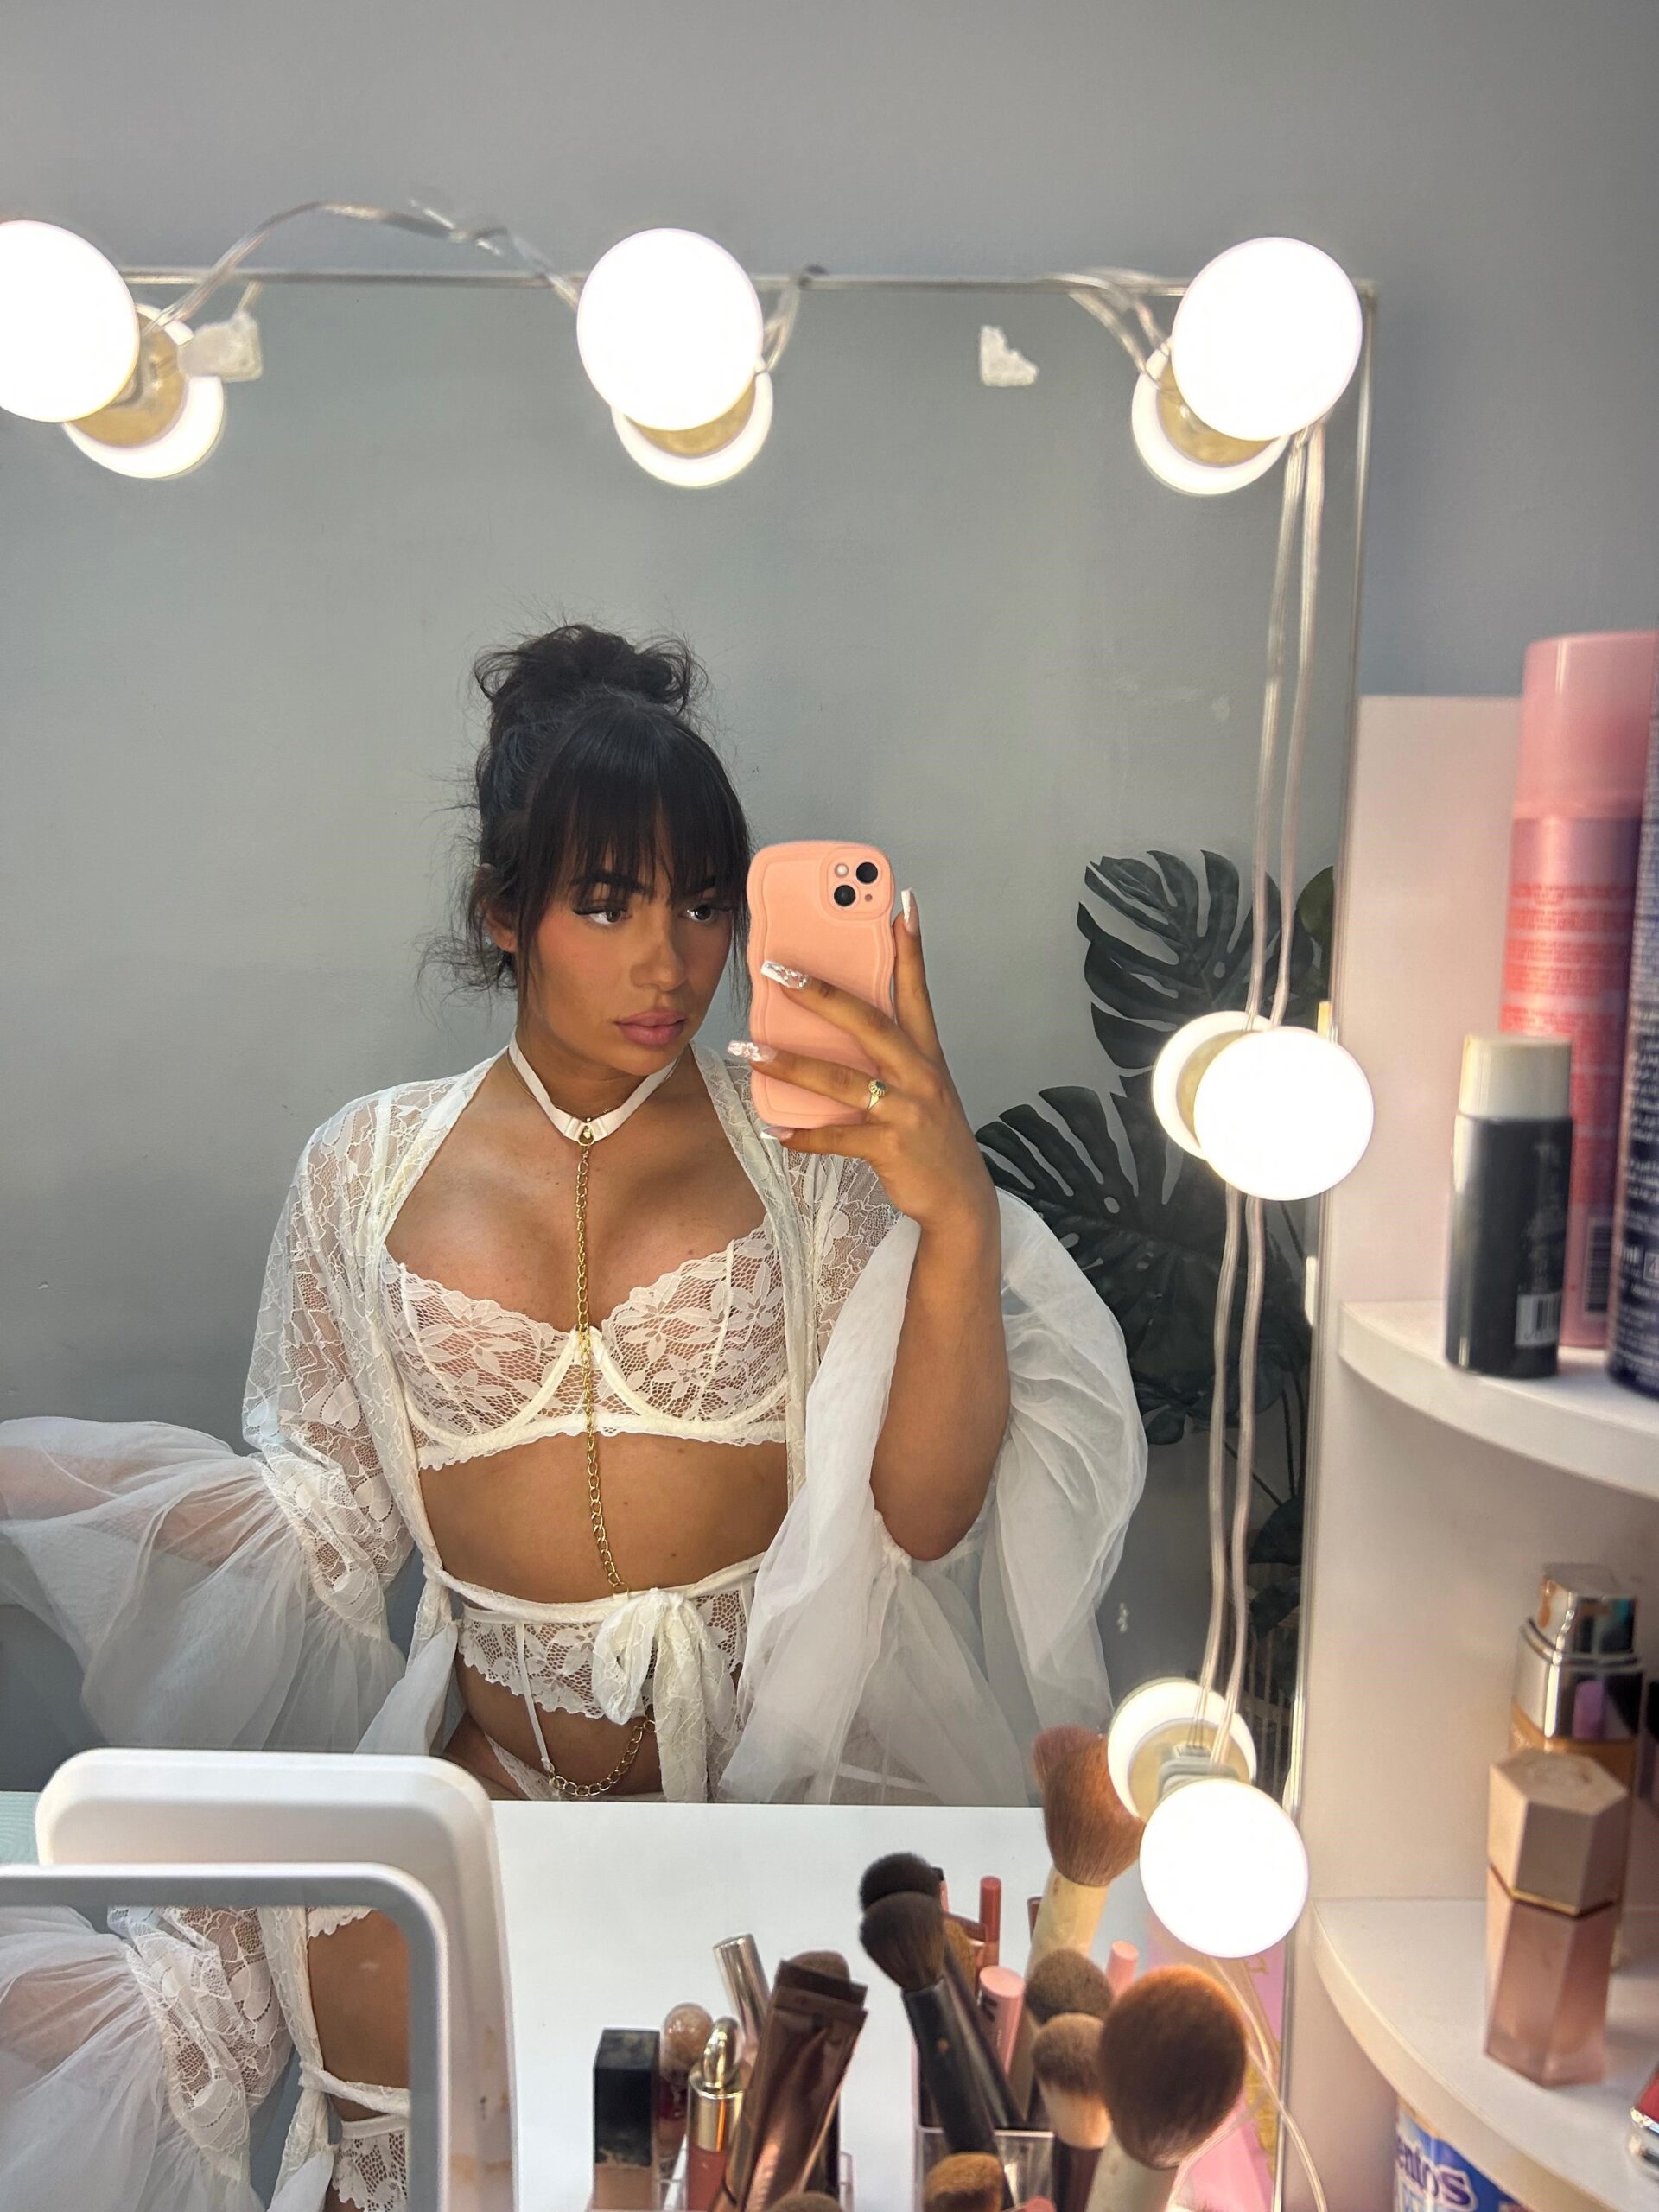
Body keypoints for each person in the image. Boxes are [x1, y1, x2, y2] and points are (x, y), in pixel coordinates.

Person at [0, 623, 1146, 2209]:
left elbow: (927, 1515)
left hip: (768, 1802)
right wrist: (29, 1481)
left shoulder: (814, 1171)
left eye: (702, 902)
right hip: (476, 1803)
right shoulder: (364, 1171)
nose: (668, 961)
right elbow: (318, 1518)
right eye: (606, 902)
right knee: (167, 2020)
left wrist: (951, 1209)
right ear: (505, 913)